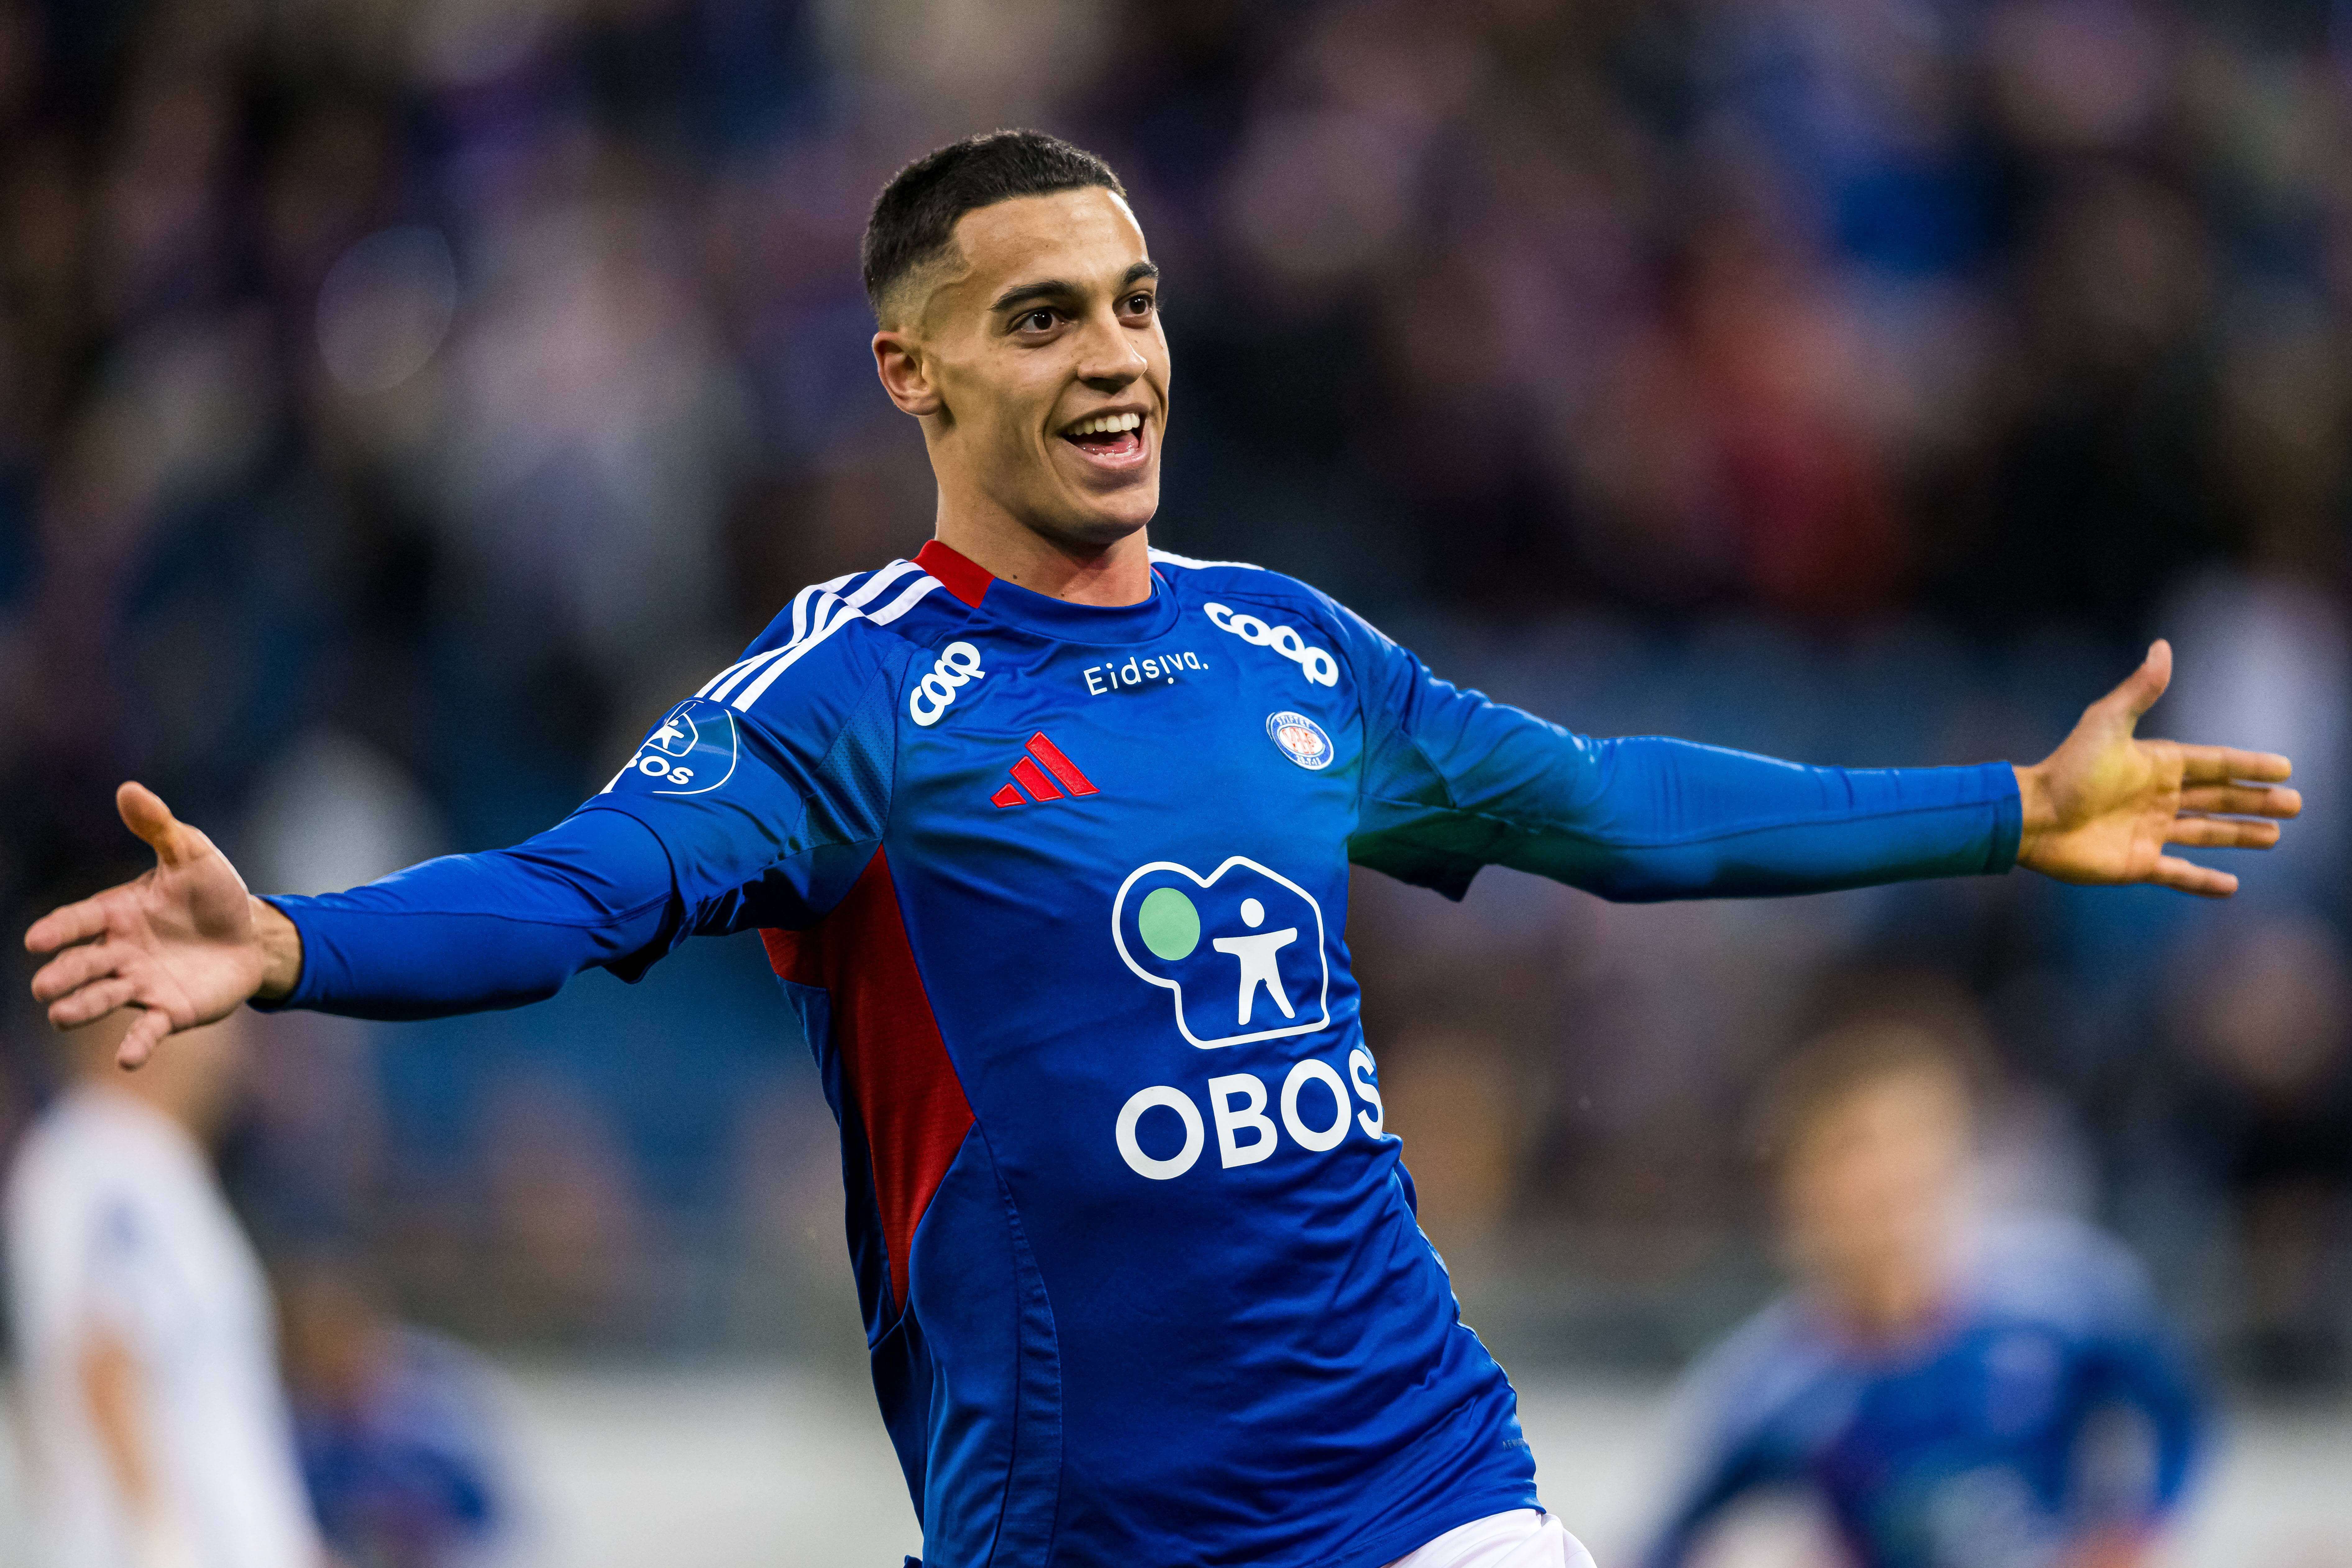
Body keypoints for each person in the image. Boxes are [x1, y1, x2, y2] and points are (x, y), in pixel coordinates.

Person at [23, 130, 2297, 1568]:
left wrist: (2003, 807)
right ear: (911, 376)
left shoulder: (1281, 648)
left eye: (1134, 302)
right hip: (1083, 1528)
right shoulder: (845, 698)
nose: (1115, 356)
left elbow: (1613, 807)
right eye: (1041, 319)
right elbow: (584, 886)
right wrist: (303, 943)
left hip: (1419, 1485)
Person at [1642, 1023, 2205, 1568]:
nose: (1886, 1175)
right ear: (1798, 1193)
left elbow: (2178, 1413)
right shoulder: (1774, 1387)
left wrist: (2134, 1532)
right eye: (1852, 1152)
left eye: (1910, 1142)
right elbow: (1664, 1540)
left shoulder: (2065, 1293)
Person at [5, 1005, 325, 1568]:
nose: (231, 1047)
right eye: (215, 1019)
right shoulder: (101, 1157)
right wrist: (160, 1543)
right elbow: (103, 1359)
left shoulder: (159, 1165)